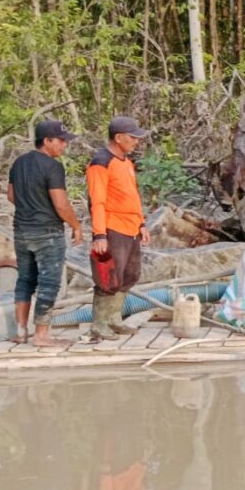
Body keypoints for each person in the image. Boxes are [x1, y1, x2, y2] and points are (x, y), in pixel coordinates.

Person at [6, 120, 84, 346]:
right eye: (61, 141)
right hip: (47, 232)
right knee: (49, 282)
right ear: (47, 141)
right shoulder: (53, 166)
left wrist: (30, 207)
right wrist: (76, 225)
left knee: (25, 280)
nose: (64, 145)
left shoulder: (19, 163)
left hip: (21, 231)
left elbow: (11, 195)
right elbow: (61, 204)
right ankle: (41, 335)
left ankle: (21, 331)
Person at [86, 116, 151, 341]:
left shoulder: (126, 162)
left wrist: (141, 223)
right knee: (108, 277)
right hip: (113, 228)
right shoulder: (101, 163)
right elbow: (97, 201)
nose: (136, 141)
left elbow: (133, 195)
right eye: (133, 137)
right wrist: (99, 234)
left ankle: (114, 319)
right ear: (119, 137)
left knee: (129, 275)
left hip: (131, 228)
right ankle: (99, 324)